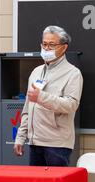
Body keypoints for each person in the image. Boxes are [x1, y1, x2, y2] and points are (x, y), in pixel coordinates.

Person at [14, 25, 83, 167]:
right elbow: (28, 108)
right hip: (35, 142)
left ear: (64, 48)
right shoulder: (36, 72)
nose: (46, 48)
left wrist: (41, 97)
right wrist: (20, 137)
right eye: (44, 44)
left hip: (57, 145)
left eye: (51, 45)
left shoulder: (73, 73)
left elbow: (71, 105)